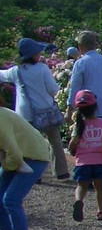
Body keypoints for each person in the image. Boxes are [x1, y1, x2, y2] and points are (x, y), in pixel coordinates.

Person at [0, 38, 69, 179]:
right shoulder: (43, 68)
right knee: (55, 142)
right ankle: (61, 171)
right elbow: (53, 89)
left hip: (25, 113)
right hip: (46, 111)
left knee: (29, 144)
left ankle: (34, 175)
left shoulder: (16, 71)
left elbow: (1, 75)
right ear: (33, 54)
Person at [66, 31, 102, 189]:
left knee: (87, 142)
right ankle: (100, 177)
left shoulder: (81, 63)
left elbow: (75, 87)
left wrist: (69, 109)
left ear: (80, 46)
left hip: (88, 107)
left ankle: (101, 179)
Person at [0, 105, 52, 230]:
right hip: (17, 156)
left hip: (34, 156)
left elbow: (13, 153)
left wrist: (5, 162)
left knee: (11, 200)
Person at [68, 90, 102, 222]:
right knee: (99, 186)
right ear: (95, 106)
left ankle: (79, 201)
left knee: (81, 185)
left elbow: (73, 142)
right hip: (99, 160)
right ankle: (100, 211)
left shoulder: (78, 125)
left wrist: (71, 149)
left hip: (83, 161)